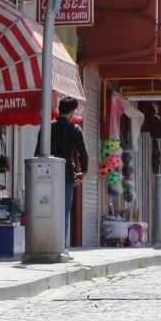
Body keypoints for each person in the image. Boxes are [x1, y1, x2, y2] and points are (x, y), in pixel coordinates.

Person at [42, 97, 89, 243]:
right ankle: (60, 246)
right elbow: (83, 152)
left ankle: (44, 242)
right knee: (63, 212)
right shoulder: (75, 129)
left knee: (45, 210)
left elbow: (38, 151)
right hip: (66, 176)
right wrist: (84, 172)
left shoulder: (48, 127)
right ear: (72, 112)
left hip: (46, 176)